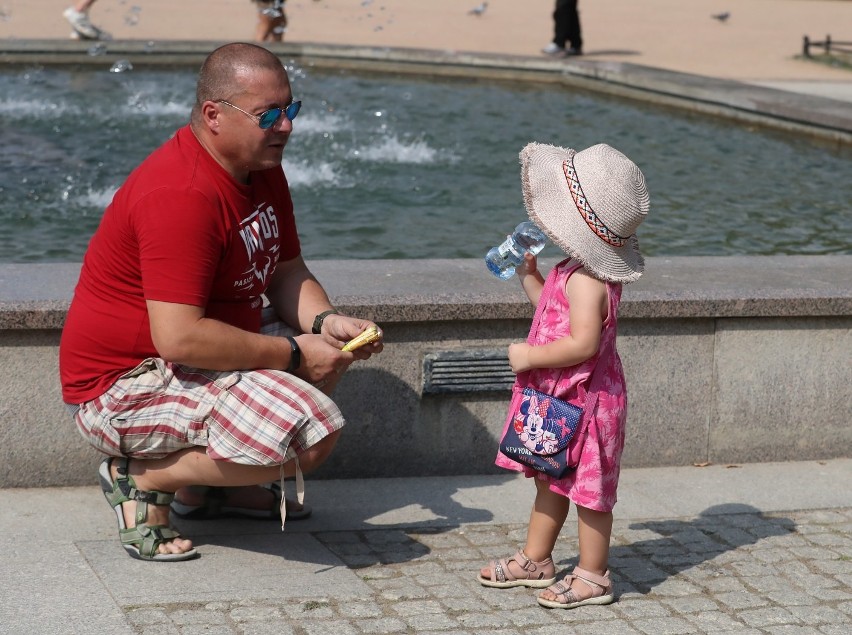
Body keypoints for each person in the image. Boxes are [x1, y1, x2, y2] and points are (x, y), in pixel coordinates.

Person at [59, 42, 384, 562]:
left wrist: (325, 320)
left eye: (290, 109)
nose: (286, 127)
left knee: (313, 381)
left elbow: (285, 269)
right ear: (214, 115)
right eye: (269, 115)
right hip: (122, 387)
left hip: (184, 362)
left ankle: (212, 488)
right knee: (312, 435)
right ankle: (144, 477)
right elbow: (179, 336)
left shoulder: (258, 165)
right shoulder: (182, 195)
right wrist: (296, 354)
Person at [477, 142, 650, 608]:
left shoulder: (591, 280)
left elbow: (583, 344)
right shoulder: (573, 269)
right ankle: (537, 559)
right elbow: (552, 317)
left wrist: (530, 359)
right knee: (550, 478)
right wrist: (529, 276)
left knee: (590, 493)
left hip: (589, 403)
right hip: (563, 400)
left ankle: (593, 575)